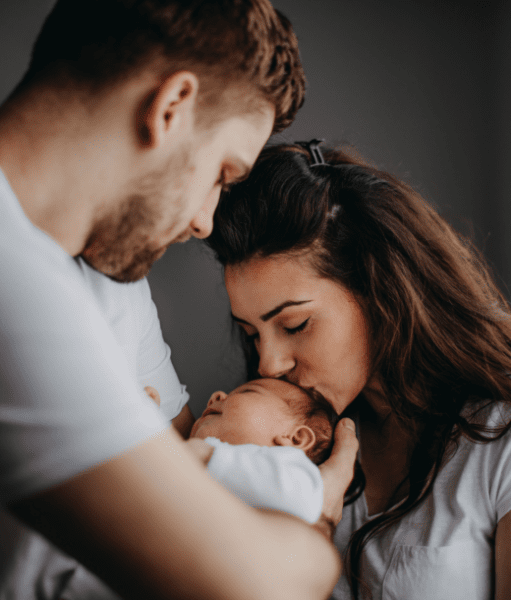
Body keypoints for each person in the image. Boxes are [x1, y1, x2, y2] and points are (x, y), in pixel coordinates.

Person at [0, 0, 361, 596]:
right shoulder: (15, 278)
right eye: (222, 172)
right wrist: (319, 519)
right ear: (171, 108)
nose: (204, 222)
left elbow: (192, 494)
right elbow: (253, 585)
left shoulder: (111, 282)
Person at [205, 140, 511, 600]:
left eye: (295, 324)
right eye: (252, 334)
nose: (269, 363)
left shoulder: (497, 445)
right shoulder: (273, 453)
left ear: (378, 291)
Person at [4, 377, 339, 600]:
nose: (218, 395)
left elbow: (301, 498)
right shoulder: (199, 463)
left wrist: (187, 449)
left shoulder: (291, 473)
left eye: (248, 392)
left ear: (296, 439)